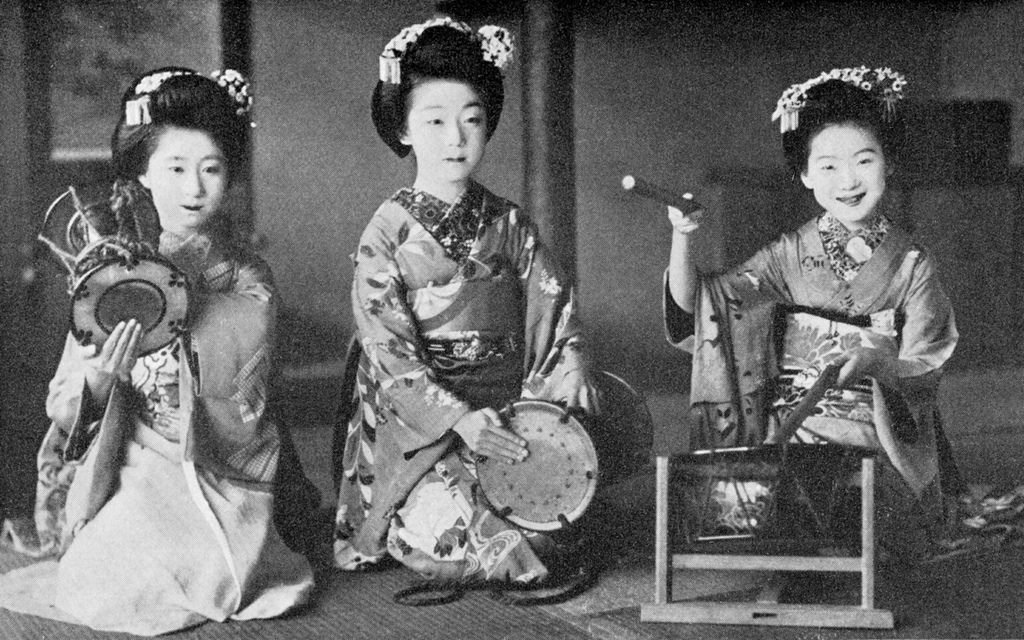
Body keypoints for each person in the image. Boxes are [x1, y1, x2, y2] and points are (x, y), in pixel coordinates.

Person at [15, 67, 315, 635]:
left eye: (211, 169)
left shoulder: (247, 278)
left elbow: (238, 372)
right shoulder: (113, 270)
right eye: (175, 168)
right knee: (104, 580)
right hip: (135, 457)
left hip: (219, 461)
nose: (194, 187)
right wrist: (103, 379)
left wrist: (177, 300)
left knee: (218, 575)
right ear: (143, 175)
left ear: (230, 178)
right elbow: (66, 400)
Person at [333, 18, 598, 585]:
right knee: (469, 536)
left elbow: (553, 312)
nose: (455, 138)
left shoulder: (509, 223)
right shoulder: (386, 232)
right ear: (403, 131)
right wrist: (457, 418)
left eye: (471, 121)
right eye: (434, 121)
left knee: (556, 511)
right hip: (422, 427)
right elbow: (388, 351)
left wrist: (565, 375)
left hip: (507, 413)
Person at [663, 67, 962, 561]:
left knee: (856, 517)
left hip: (879, 429)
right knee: (764, 496)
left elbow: (926, 365)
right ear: (804, 175)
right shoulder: (788, 255)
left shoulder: (912, 264)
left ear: (888, 164)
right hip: (792, 422)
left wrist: (877, 363)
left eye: (864, 161)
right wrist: (682, 237)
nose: (848, 181)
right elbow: (706, 307)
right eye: (827, 166)